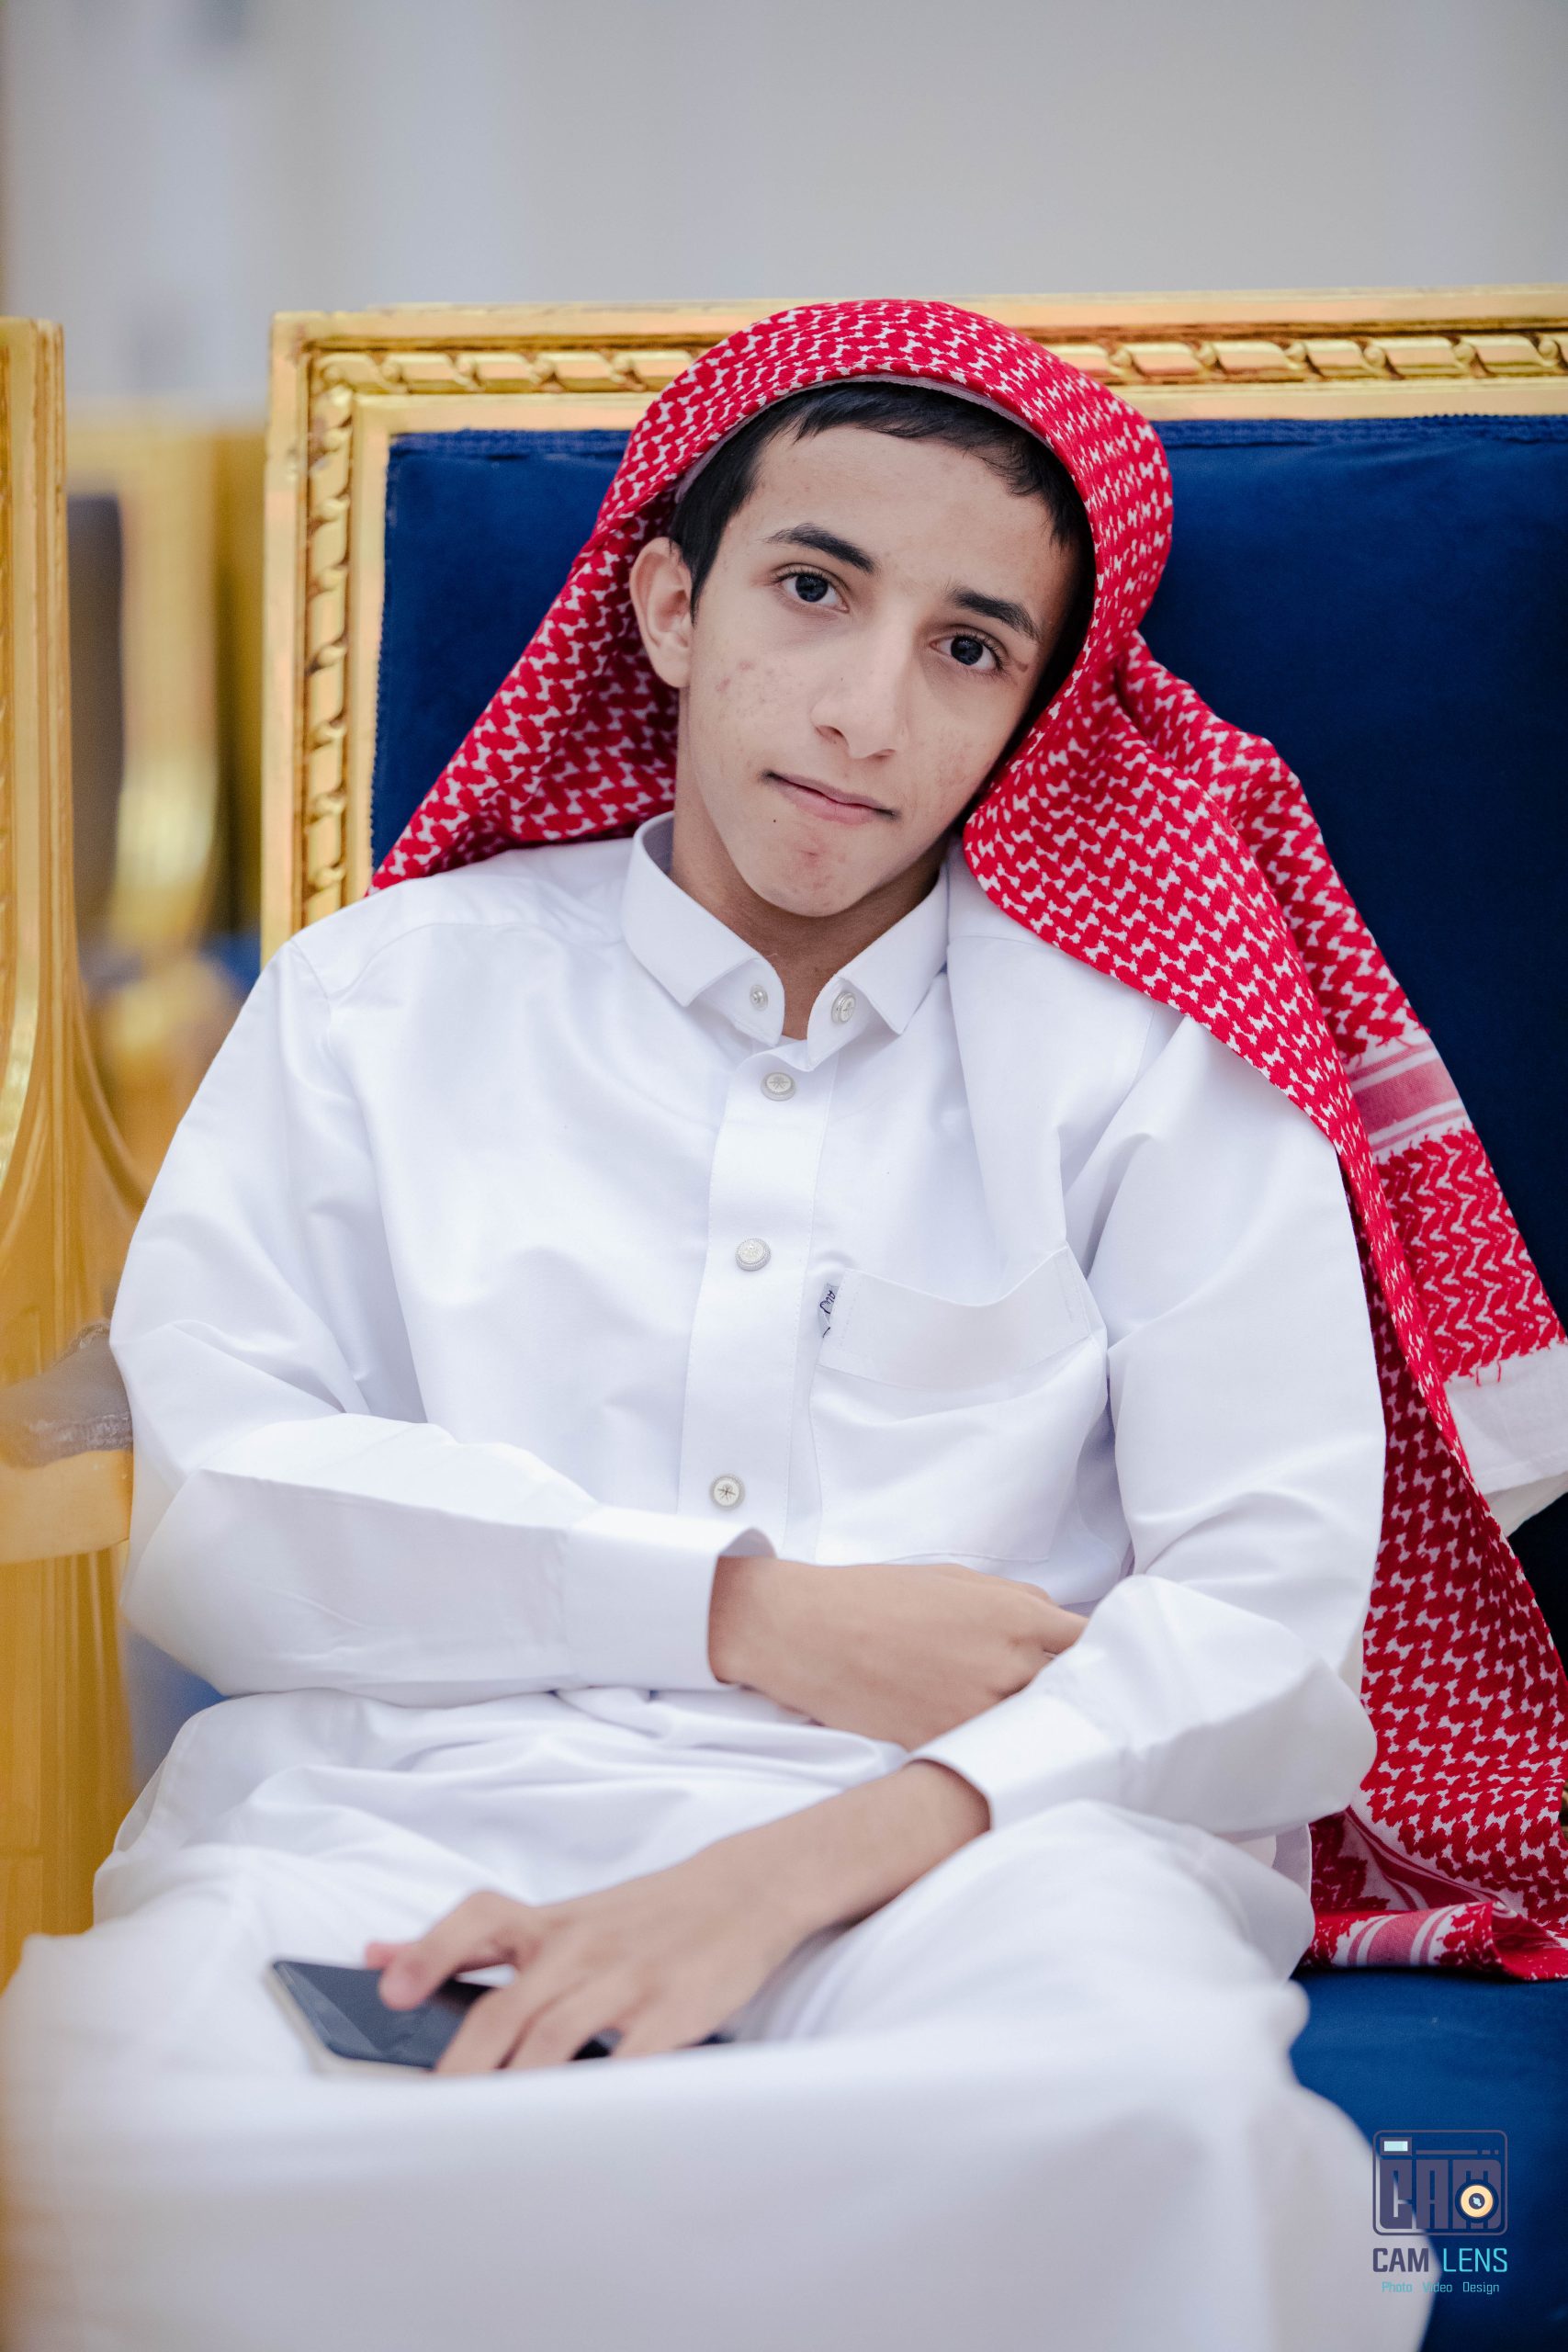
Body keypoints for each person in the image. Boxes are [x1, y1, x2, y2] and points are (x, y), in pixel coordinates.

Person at [10, 293, 1538, 2352]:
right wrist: (740, 1613)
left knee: (1143, 2131)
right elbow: (226, 1508)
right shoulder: (379, 999)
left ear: (1035, 709)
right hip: (394, 1814)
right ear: (668, 602)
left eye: (967, 647)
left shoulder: (1154, 1069)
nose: (866, 712)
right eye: (813, 590)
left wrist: (802, 1864)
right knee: (98, 2155)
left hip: (985, 1853)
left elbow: (1264, 1617)